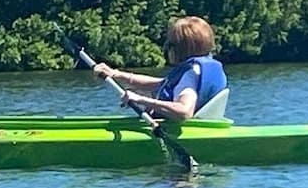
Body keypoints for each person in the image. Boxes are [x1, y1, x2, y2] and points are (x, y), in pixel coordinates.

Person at [92, 15, 228, 122]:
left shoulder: (190, 74)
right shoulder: (196, 70)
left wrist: (140, 99)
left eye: (170, 45)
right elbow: (161, 84)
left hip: (176, 131)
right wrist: (115, 74)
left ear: (179, 49)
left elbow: (184, 112)